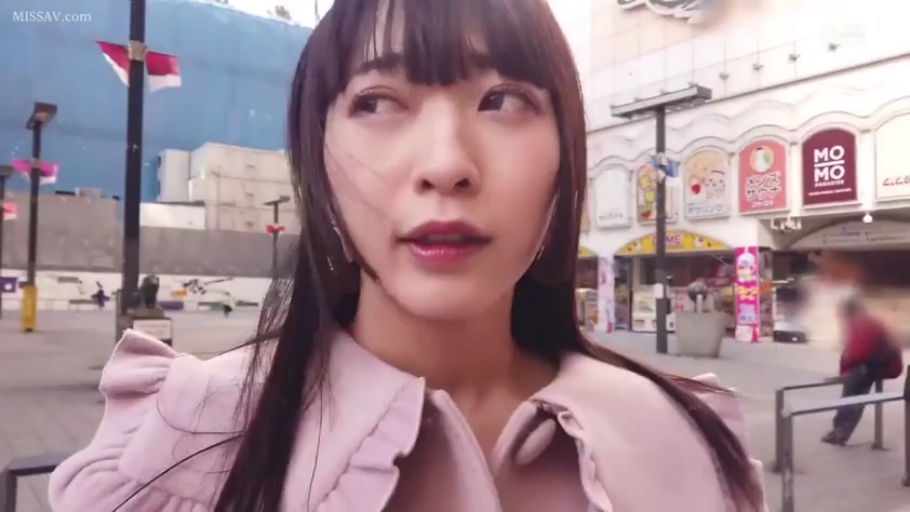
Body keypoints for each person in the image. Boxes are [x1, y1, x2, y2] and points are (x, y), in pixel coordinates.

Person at [48, 0, 767, 510]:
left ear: (565, 155)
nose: (446, 165)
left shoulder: (676, 433)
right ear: (317, 158)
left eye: (504, 99)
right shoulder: (187, 434)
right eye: (377, 102)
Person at [822, 299, 903, 445]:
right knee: (854, 397)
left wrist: (846, 370)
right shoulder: (867, 321)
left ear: (850, 312)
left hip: (869, 367)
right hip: (877, 365)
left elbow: (857, 352)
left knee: (851, 397)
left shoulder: (862, 324)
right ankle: (839, 432)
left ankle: (840, 434)